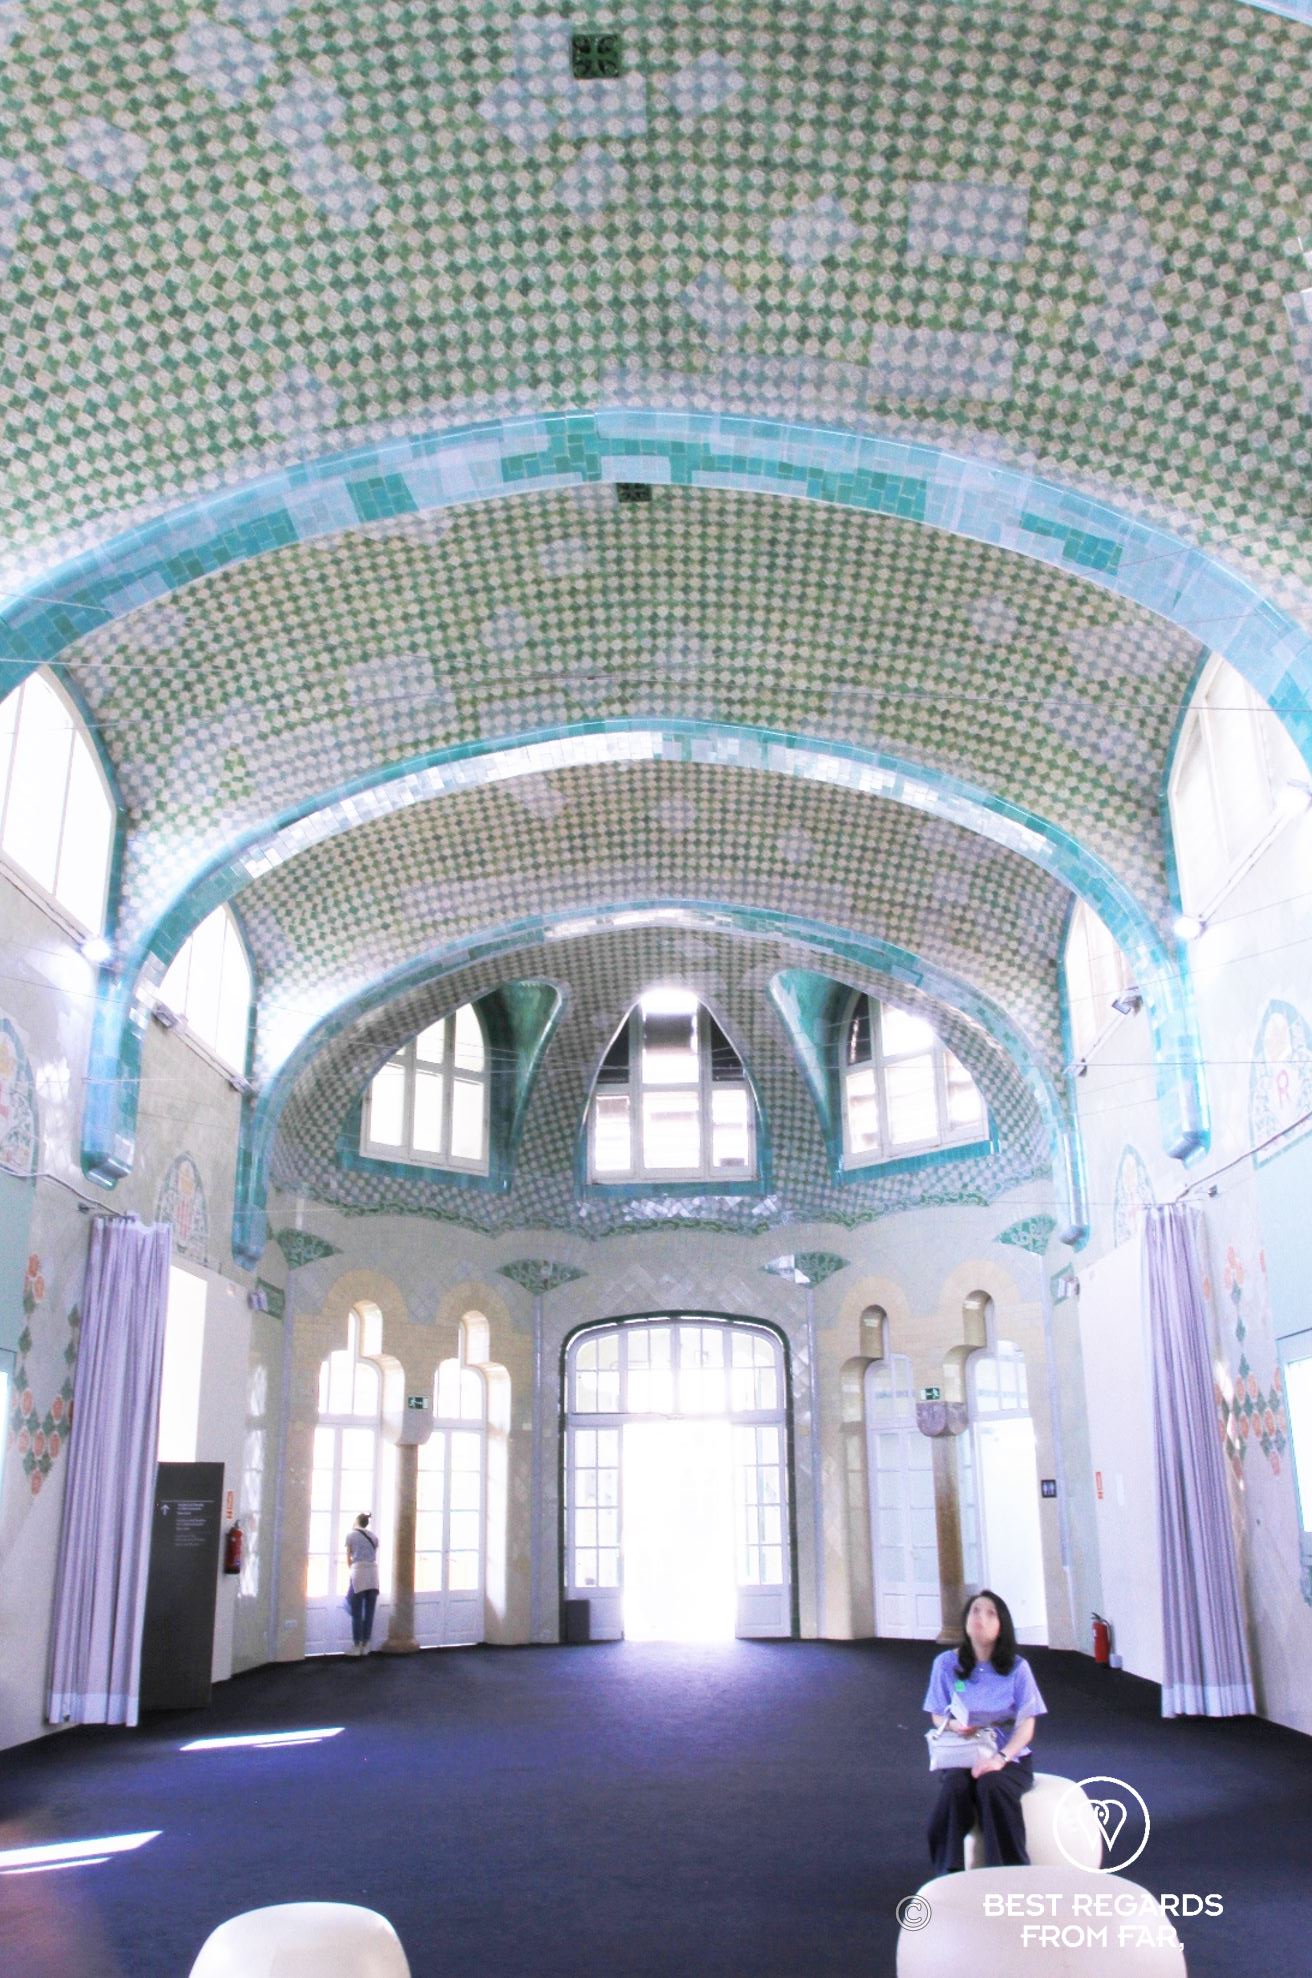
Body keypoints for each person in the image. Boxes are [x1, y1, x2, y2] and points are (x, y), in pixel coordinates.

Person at [923, 1588, 1047, 1873]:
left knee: (992, 1786)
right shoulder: (945, 1664)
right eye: (975, 1611)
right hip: (965, 1752)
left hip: (1007, 1755)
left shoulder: (1018, 1668)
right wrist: (954, 1725)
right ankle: (949, 1871)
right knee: (954, 1788)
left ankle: (1008, 1873)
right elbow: (936, 1713)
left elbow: (1027, 1724)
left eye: (990, 1613)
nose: (980, 1617)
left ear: (1002, 1625)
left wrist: (1000, 1759)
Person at [344, 1512, 380, 1657]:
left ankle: (356, 1645)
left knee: (356, 1611)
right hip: (373, 1574)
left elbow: (349, 1558)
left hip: (358, 1573)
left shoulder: (351, 1535)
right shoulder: (374, 1537)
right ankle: (366, 1645)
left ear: (357, 1521)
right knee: (370, 1611)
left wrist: (352, 1569)